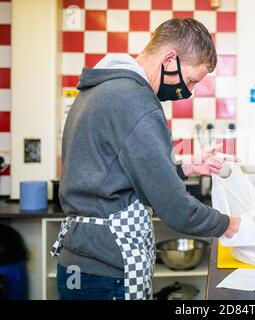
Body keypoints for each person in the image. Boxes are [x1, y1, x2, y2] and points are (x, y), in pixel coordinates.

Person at [51, 18, 241, 300]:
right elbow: (175, 208)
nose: (187, 90)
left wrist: (186, 167)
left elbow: (117, 172)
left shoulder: (98, 89)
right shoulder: (135, 101)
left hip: (80, 262)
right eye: (190, 80)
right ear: (169, 59)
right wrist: (230, 224)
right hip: (109, 270)